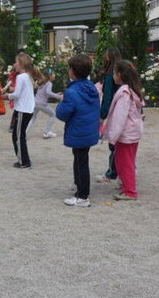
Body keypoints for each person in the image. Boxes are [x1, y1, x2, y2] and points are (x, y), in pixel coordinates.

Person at [56, 54, 100, 207]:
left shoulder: (72, 92)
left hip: (79, 131)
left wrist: (62, 101)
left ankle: (83, 196)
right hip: (87, 131)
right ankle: (78, 185)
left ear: (73, 71)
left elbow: (62, 114)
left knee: (81, 162)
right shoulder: (91, 87)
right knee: (80, 159)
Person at [104, 60, 144, 200]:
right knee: (128, 161)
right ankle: (127, 185)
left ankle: (130, 191)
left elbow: (119, 118)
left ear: (119, 75)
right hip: (133, 133)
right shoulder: (133, 91)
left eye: (114, 73)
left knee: (124, 163)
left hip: (125, 134)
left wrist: (112, 137)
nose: (113, 75)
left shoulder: (124, 93)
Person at [7, 52, 41, 169]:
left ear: (21, 64)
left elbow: (17, 94)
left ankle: (24, 162)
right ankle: (23, 159)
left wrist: (6, 95)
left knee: (18, 136)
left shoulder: (21, 77)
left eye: (16, 62)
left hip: (22, 109)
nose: (14, 64)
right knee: (19, 135)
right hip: (26, 109)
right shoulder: (28, 75)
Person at [95, 48, 122, 183]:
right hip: (122, 111)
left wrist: (102, 115)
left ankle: (112, 173)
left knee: (113, 144)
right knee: (120, 143)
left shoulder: (110, 76)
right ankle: (119, 171)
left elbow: (107, 97)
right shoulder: (123, 73)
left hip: (113, 111)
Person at [27, 68, 63, 138]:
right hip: (42, 104)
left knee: (33, 118)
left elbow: (45, 94)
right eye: (53, 74)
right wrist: (58, 97)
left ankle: (24, 134)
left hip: (35, 102)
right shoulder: (49, 83)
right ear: (49, 76)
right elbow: (48, 92)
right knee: (53, 114)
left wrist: (56, 94)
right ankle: (46, 132)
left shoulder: (43, 82)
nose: (54, 75)